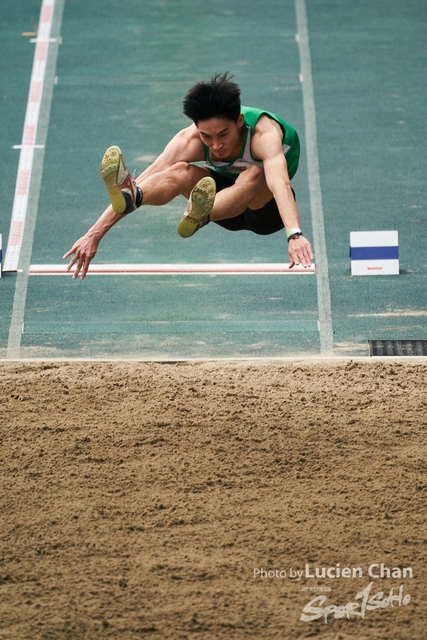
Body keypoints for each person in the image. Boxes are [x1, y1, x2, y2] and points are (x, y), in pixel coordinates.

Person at [64, 72, 314, 279]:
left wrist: (295, 234)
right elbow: (151, 177)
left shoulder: (264, 135)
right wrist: (93, 235)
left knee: (255, 172)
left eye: (223, 135)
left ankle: (203, 212)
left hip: (266, 212)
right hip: (224, 205)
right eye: (207, 136)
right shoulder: (189, 139)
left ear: (239, 121)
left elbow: (280, 183)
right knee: (177, 171)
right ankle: (191, 211)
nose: (215, 145)